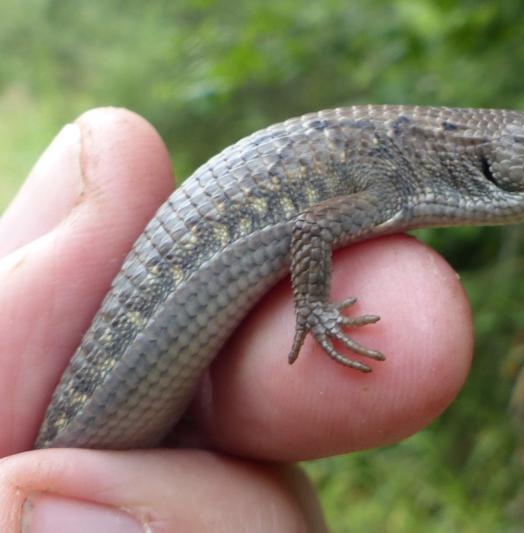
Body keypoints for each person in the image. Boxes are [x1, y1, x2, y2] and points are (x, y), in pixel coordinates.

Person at [0, 108, 473, 532]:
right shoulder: (391, 179)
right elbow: (311, 228)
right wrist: (312, 308)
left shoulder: (396, 174)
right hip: (83, 401)